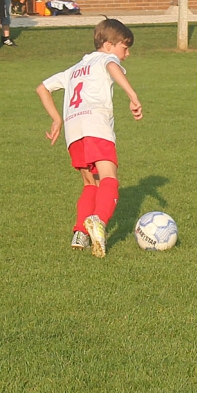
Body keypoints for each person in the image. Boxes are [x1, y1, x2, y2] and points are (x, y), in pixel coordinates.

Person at [36, 18, 143, 258]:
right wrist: (132, 95)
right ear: (108, 45)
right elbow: (112, 66)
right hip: (96, 125)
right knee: (109, 178)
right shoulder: (106, 59)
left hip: (74, 131)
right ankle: (99, 221)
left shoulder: (74, 69)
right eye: (125, 48)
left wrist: (57, 119)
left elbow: (42, 88)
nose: (126, 55)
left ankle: (80, 233)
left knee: (89, 184)